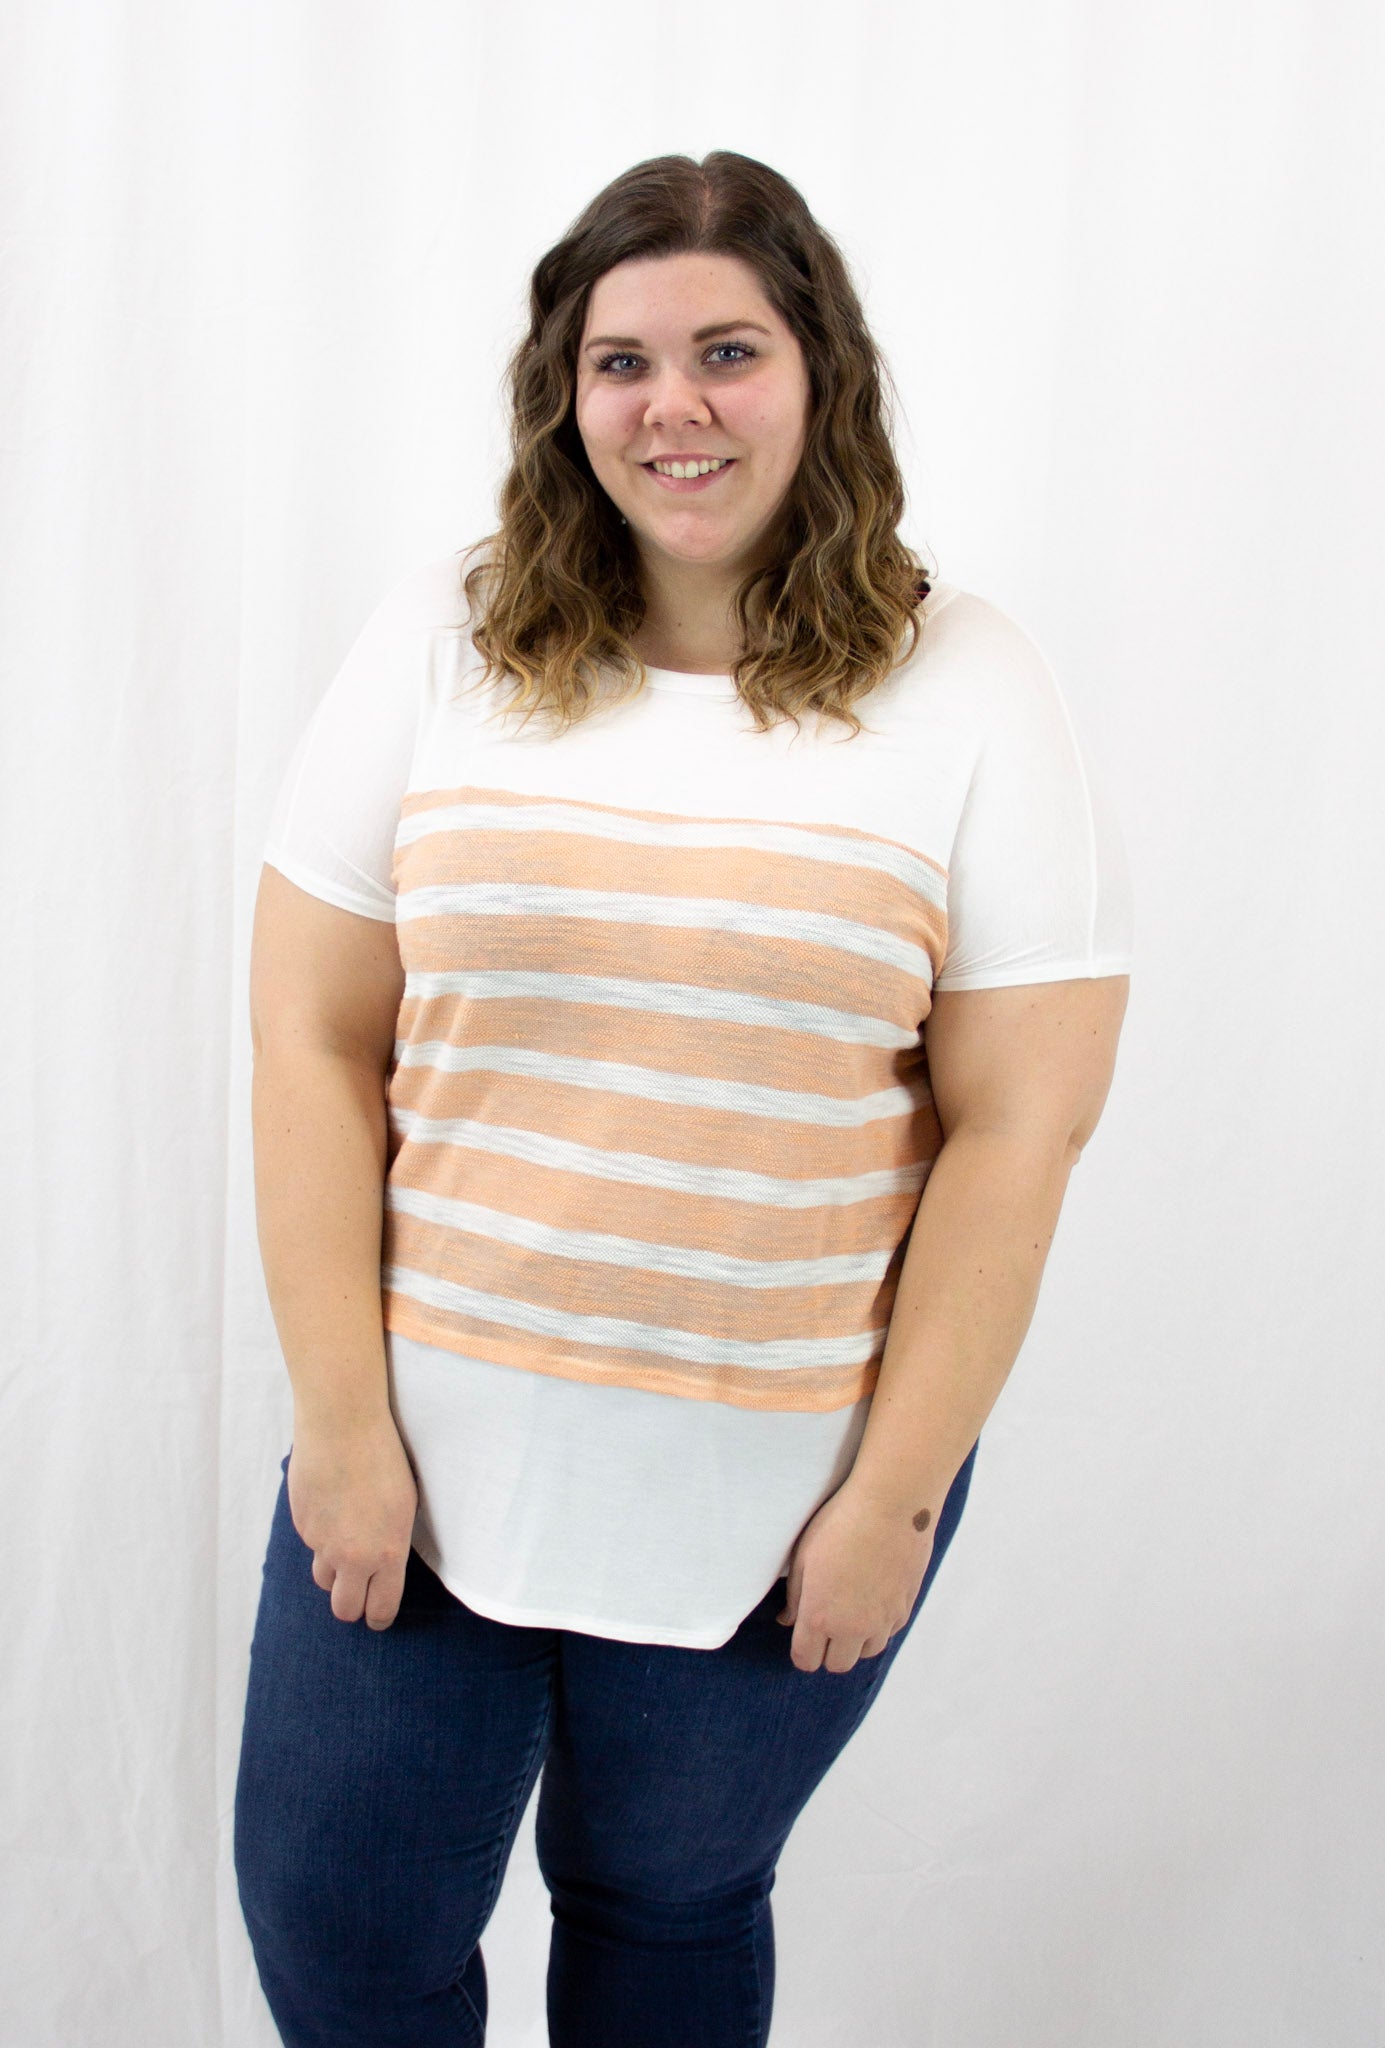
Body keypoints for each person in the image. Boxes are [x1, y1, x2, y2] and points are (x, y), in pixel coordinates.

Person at [233, 150, 1133, 2048]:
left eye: (727, 349)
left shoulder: (964, 683)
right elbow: (311, 1035)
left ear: (821, 376)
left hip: (778, 1481)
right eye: (619, 362)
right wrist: (339, 1423)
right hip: (420, 1443)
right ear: (565, 397)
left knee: (661, 1911)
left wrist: (890, 1498)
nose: (675, 407)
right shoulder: (445, 641)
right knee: (338, 1929)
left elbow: (1019, 1124)